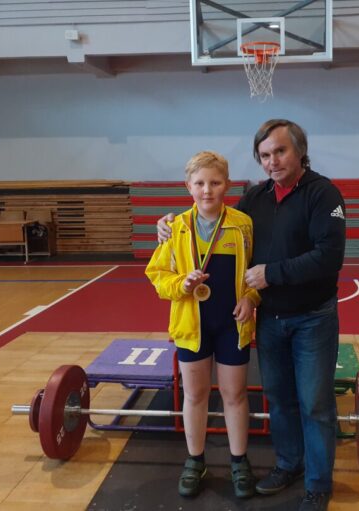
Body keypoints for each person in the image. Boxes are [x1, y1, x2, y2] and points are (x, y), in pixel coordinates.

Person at [158, 120, 346, 511]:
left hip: (312, 317)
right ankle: (288, 464)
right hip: (270, 316)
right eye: (264, 155)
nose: (272, 161)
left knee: (314, 403)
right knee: (279, 398)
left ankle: (317, 484)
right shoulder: (255, 199)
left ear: (299, 151)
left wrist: (268, 276)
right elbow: (215, 220)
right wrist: (168, 224)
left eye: (280, 151)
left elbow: (329, 257)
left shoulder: (323, 193)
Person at [145, 151, 260, 499]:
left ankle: (239, 461)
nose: (207, 190)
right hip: (191, 326)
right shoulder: (175, 228)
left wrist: (251, 299)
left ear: (227, 185)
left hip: (232, 325)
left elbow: (257, 271)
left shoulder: (242, 224)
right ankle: (195, 460)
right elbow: (157, 275)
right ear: (188, 186)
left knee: (234, 395)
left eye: (215, 182)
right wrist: (181, 284)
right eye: (200, 183)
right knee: (195, 395)